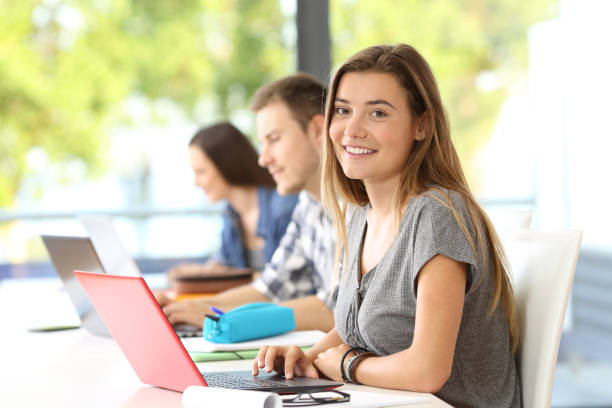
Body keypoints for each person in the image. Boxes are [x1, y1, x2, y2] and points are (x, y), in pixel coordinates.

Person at [252, 44, 521, 407]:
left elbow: (427, 370)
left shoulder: (437, 215)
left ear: (421, 125)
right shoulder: (358, 215)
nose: (352, 129)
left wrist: (348, 364)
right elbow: (355, 328)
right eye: (343, 111)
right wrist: (310, 356)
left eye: (378, 113)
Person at [158, 73, 337, 332]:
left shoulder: (360, 206)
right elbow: (269, 289)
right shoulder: (307, 207)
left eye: (274, 139)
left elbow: (342, 311)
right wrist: (195, 307)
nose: (263, 159)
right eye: (262, 143)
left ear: (318, 130)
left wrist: (221, 315)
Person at [167, 122, 298, 281]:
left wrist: (232, 277)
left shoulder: (285, 208)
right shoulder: (231, 214)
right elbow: (224, 263)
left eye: (201, 172)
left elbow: (286, 282)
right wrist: (200, 272)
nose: (196, 182)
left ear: (226, 165)